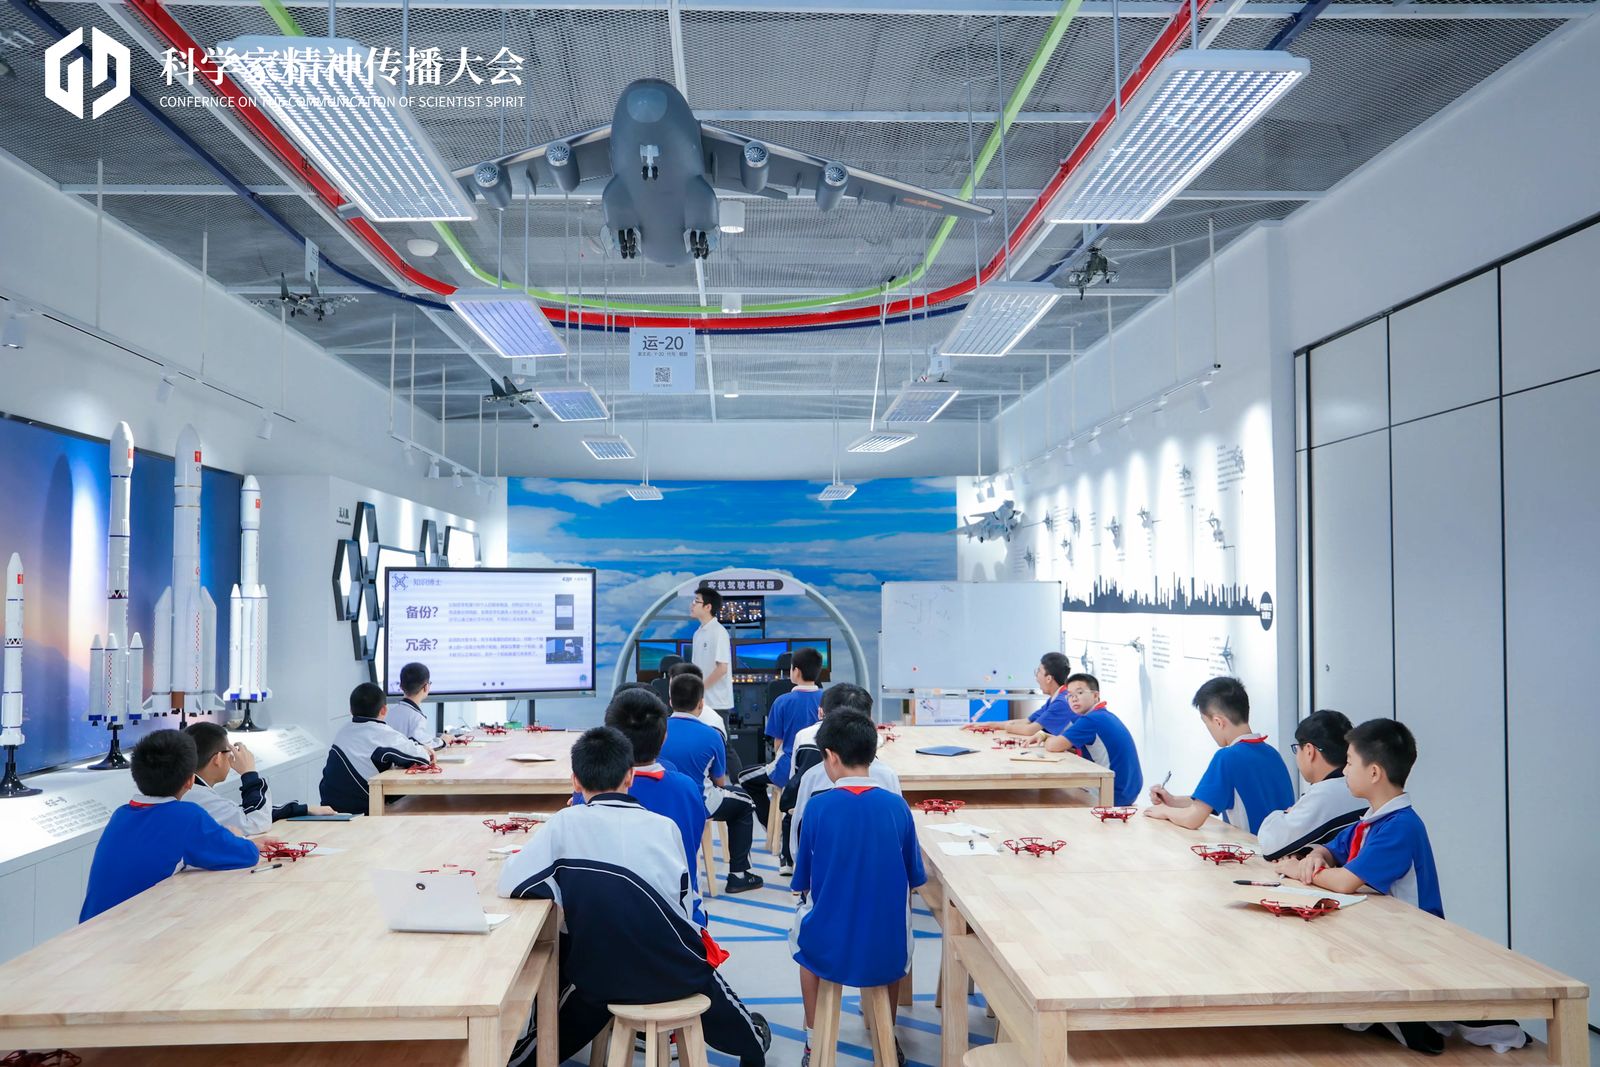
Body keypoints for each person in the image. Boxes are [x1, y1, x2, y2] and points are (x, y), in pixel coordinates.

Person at [498, 726, 771, 1067]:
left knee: (567, 999)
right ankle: (754, 1041)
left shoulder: (563, 825)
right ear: (630, 776)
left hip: (600, 979)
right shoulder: (664, 827)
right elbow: (684, 907)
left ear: (575, 782)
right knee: (728, 1009)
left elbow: (511, 882)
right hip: (676, 974)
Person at [1274, 719, 1508, 1056]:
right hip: (1384, 936)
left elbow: (1344, 881)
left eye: (1350, 763)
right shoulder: (1371, 819)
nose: (1344, 771)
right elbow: (1332, 849)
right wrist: (1316, 855)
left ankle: (1410, 1019)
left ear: (1374, 773)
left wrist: (1299, 870)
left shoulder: (1401, 825)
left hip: (1413, 948)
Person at [790, 711, 924, 1067]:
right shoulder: (897, 806)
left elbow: (802, 882)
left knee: (802, 937)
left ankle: (813, 1041)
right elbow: (914, 879)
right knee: (898, 930)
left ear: (831, 756)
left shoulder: (818, 807)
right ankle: (886, 1034)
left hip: (828, 948)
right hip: (887, 950)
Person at [80, 730, 268, 922]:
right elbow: (246, 855)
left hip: (92, 925)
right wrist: (237, 838)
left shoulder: (120, 815)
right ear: (190, 780)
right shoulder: (187, 816)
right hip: (127, 928)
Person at [599, 687, 712, 910]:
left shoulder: (593, 792)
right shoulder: (685, 788)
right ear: (664, 736)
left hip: (609, 912)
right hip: (678, 912)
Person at [1144, 676, 1293, 834]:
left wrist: (1165, 811)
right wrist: (1172, 801)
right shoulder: (1272, 754)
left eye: (1206, 722)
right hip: (1279, 846)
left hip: (1250, 847)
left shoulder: (1227, 757)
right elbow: (1208, 802)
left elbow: (1193, 818)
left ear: (1218, 722)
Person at [661, 671, 765, 894]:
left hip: (663, 800)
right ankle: (738, 875)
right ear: (701, 703)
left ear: (670, 701)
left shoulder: (658, 730)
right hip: (699, 802)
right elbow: (719, 781)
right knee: (744, 802)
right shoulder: (712, 735)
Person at [786, 688, 902, 862]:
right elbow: (901, 844)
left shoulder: (812, 780)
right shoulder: (888, 778)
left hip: (824, 872)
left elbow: (798, 844)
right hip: (882, 871)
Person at [740, 646, 826, 852]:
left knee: (744, 778)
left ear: (796, 671)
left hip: (788, 769)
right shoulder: (827, 698)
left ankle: (773, 829)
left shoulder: (782, 701)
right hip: (821, 770)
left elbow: (777, 744)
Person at [1256, 709, 1365, 862]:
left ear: (1309, 750)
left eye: (1297, 749)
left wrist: (1283, 814)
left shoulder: (1326, 794)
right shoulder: (1360, 786)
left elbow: (1271, 845)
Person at [182, 722, 332, 832]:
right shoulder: (199, 797)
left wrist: (302, 809)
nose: (232, 757)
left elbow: (241, 812)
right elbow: (256, 822)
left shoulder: (193, 790)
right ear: (217, 759)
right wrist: (249, 773)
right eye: (229, 751)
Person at [319, 682, 435, 814]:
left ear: (351, 710)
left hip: (328, 808)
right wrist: (425, 750)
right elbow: (422, 758)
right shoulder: (382, 734)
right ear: (384, 710)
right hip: (361, 810)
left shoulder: (343, 731)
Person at [1040, 673, 1144, 807]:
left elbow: (1053, 746)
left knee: (1053, 794)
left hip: (1112, 793)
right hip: (1128, 791)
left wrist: (1044, 737)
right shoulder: (1104, 715)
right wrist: (1045, 736)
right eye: (1070, 695)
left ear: (1095, 696)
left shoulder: (1091, 720)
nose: (1074, 699)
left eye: (1080, 693)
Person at [963, 652, 1071, 737]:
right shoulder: (1055, 698)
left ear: (1048, 678)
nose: (1036, 677)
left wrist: (1008, 727)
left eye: (1038, 671)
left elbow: (1029, 730)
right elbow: (1027, 721)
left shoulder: (1061, 702)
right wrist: (989, 724)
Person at [690, 586, 735, 719]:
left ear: (708, 607)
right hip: (700, 702)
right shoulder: (697, 633)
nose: (692, 604)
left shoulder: (719, 632)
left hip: (717, 703)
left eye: (696, 601)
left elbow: (722, 668)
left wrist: (700, 689)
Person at [389, 661, 444, 749]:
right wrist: (443, 741)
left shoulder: (389, 713)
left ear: (401, 686)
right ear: (426, 687)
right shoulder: (417, 717)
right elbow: (424, 745)